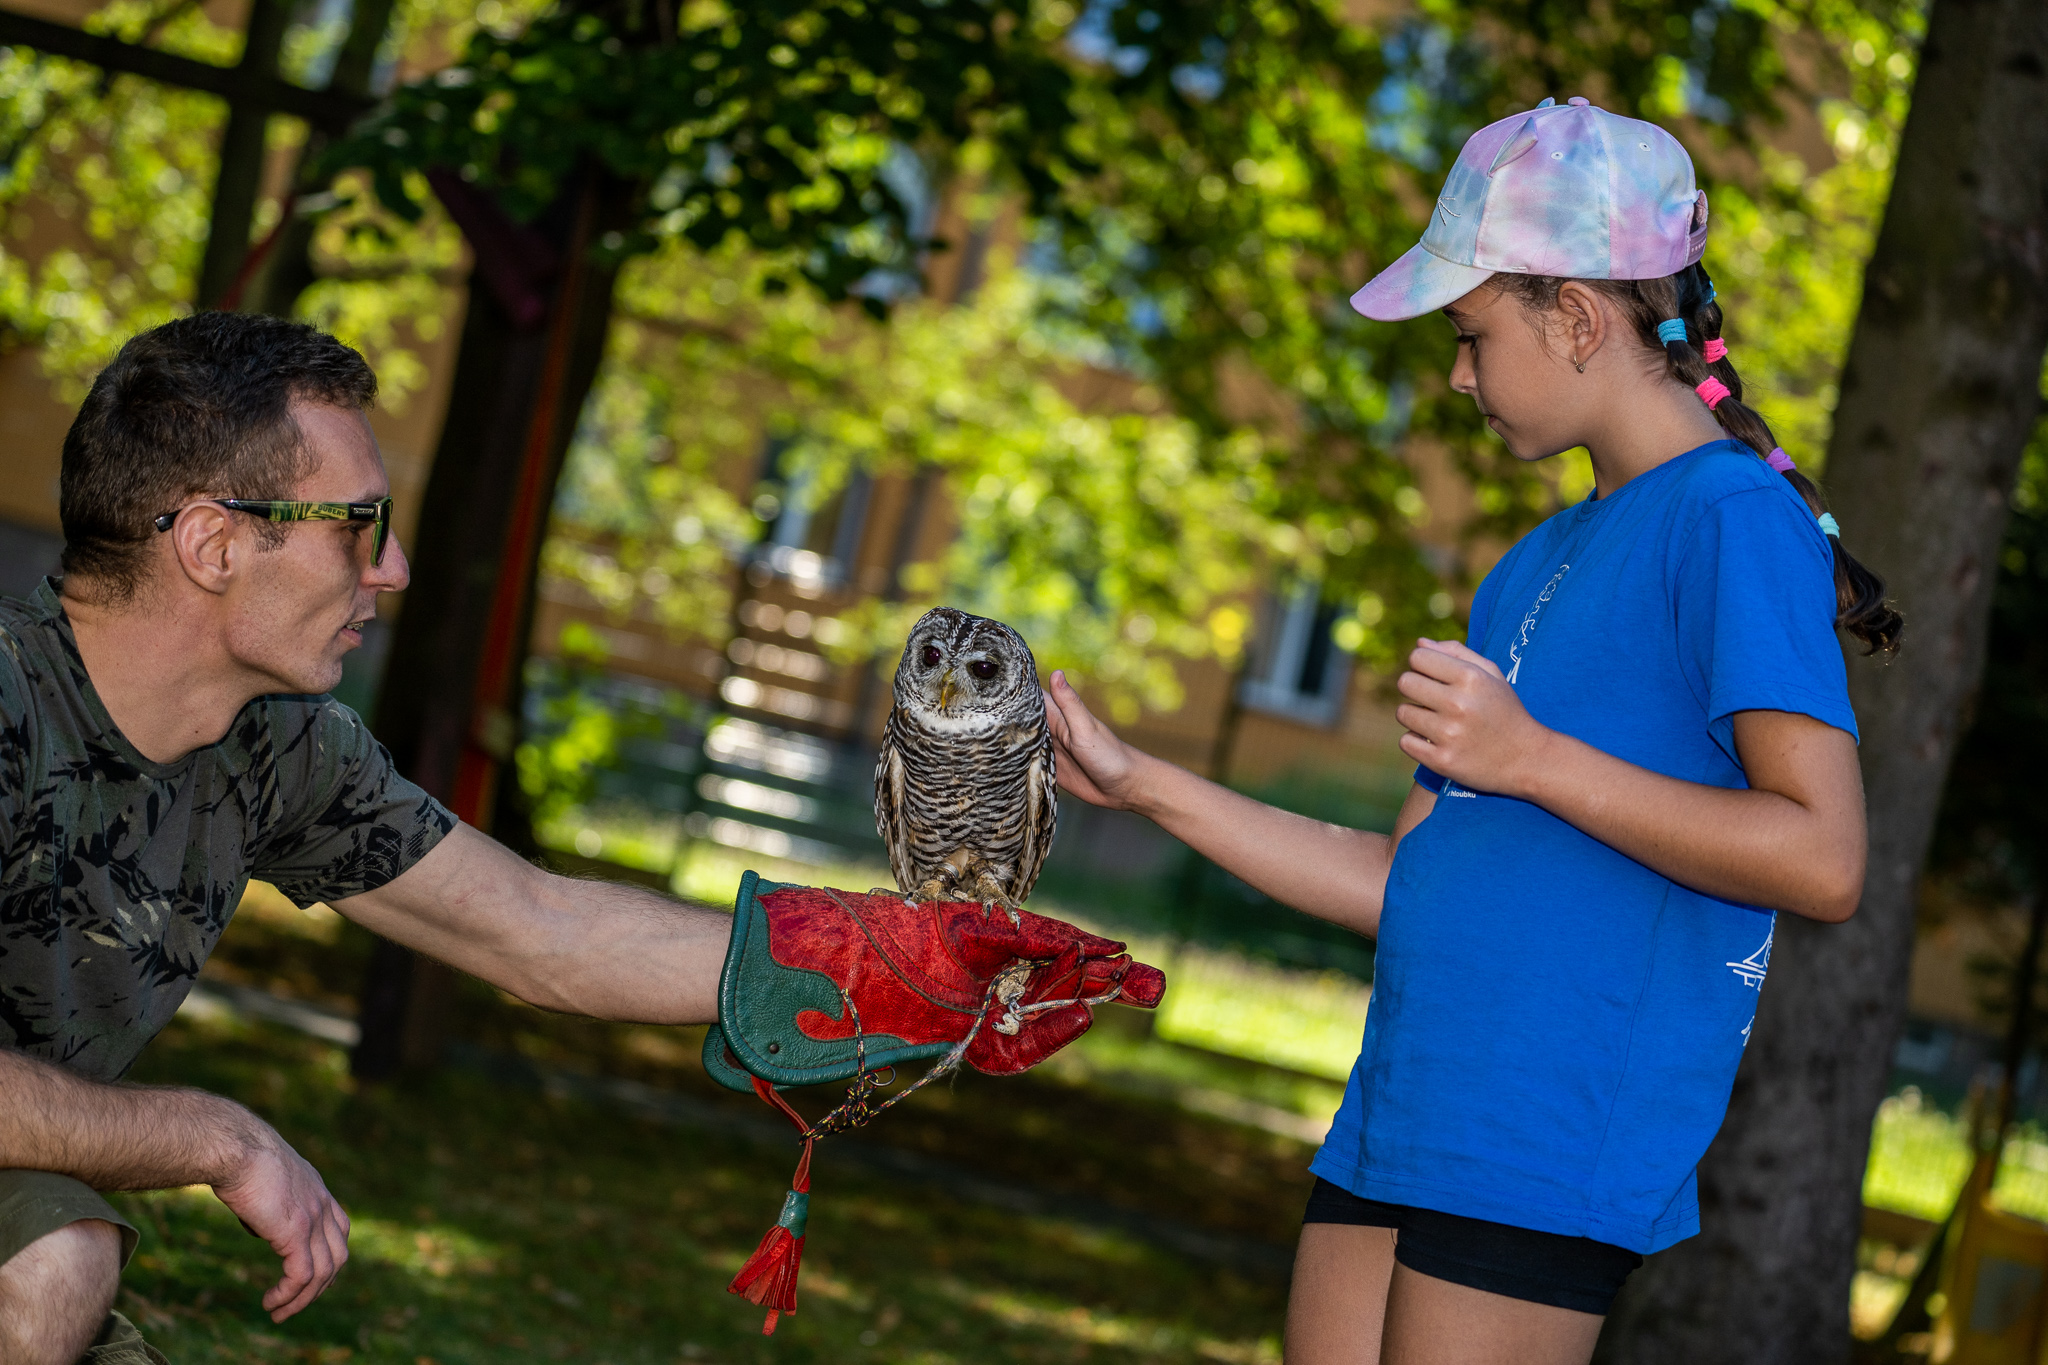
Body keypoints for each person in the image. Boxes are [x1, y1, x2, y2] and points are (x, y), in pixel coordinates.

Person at [1045, 97, 1898, 1365]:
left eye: (1469, 334)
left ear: (1575, 318)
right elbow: (1404, 878)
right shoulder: (1530, 562)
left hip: (1541, 1143)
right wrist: (1142, 784)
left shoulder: (1727, 520)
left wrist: (1529, 758)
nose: (1455, 375)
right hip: (1406, 1116)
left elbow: (1821, 858)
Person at [0, 314, 733, 1365]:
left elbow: (542, 929)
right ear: (213, 545)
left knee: (53, 1265)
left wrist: (871, 958)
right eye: (357, 525)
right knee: (51, 1267)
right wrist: (220, 1138)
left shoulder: (273, 746)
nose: (392, 568)